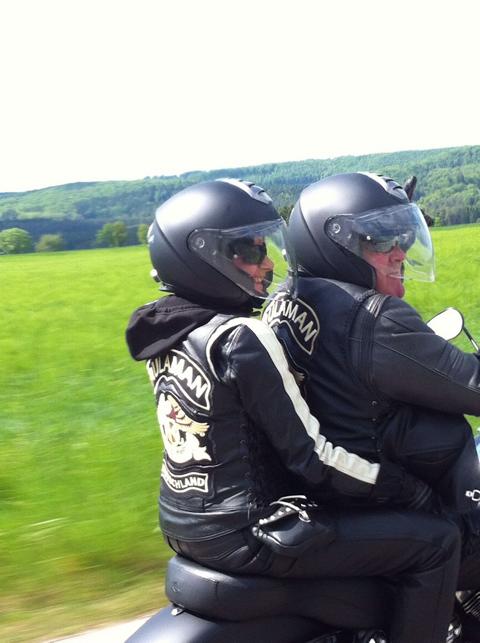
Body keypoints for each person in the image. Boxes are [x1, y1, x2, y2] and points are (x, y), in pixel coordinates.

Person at [126, 178, 461, 643]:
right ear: (201, 256)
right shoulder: (240, 337)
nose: (267, 263)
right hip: (252, 532)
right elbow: (313, 458)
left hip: (187, 528)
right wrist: (408, 490)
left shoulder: (168, 333)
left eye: (265, 247)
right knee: (437, 541)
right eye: (248, 250)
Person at [262, 171, 480, 637]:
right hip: (395, 496)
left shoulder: (287, 299)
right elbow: (472, 386)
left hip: (330, 492)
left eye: (402, 237)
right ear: (334, 246)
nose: (399, 252)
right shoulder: (374, 319)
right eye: (380, 241)